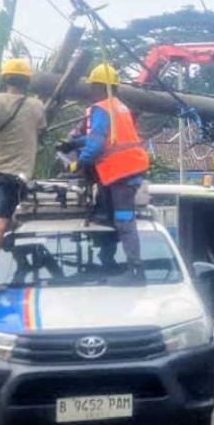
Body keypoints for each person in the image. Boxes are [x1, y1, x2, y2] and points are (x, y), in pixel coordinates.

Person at [64, 63, 150, 283]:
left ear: (99, 87)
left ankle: (135, 272)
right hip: (129, 168)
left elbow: (96, 147)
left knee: (124, 220)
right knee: (110, 217)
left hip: (121, 171)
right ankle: (110, 263)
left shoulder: (100, 108)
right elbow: (109, 136)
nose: (90, 91)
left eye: (93, 87)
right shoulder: (119, 106)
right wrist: (76, 141)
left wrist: (77, 163)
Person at [0, 58, 47, 294]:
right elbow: (41, 130)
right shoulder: (36, 106)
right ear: (28, 81)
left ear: (5, 78)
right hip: (15, 177)